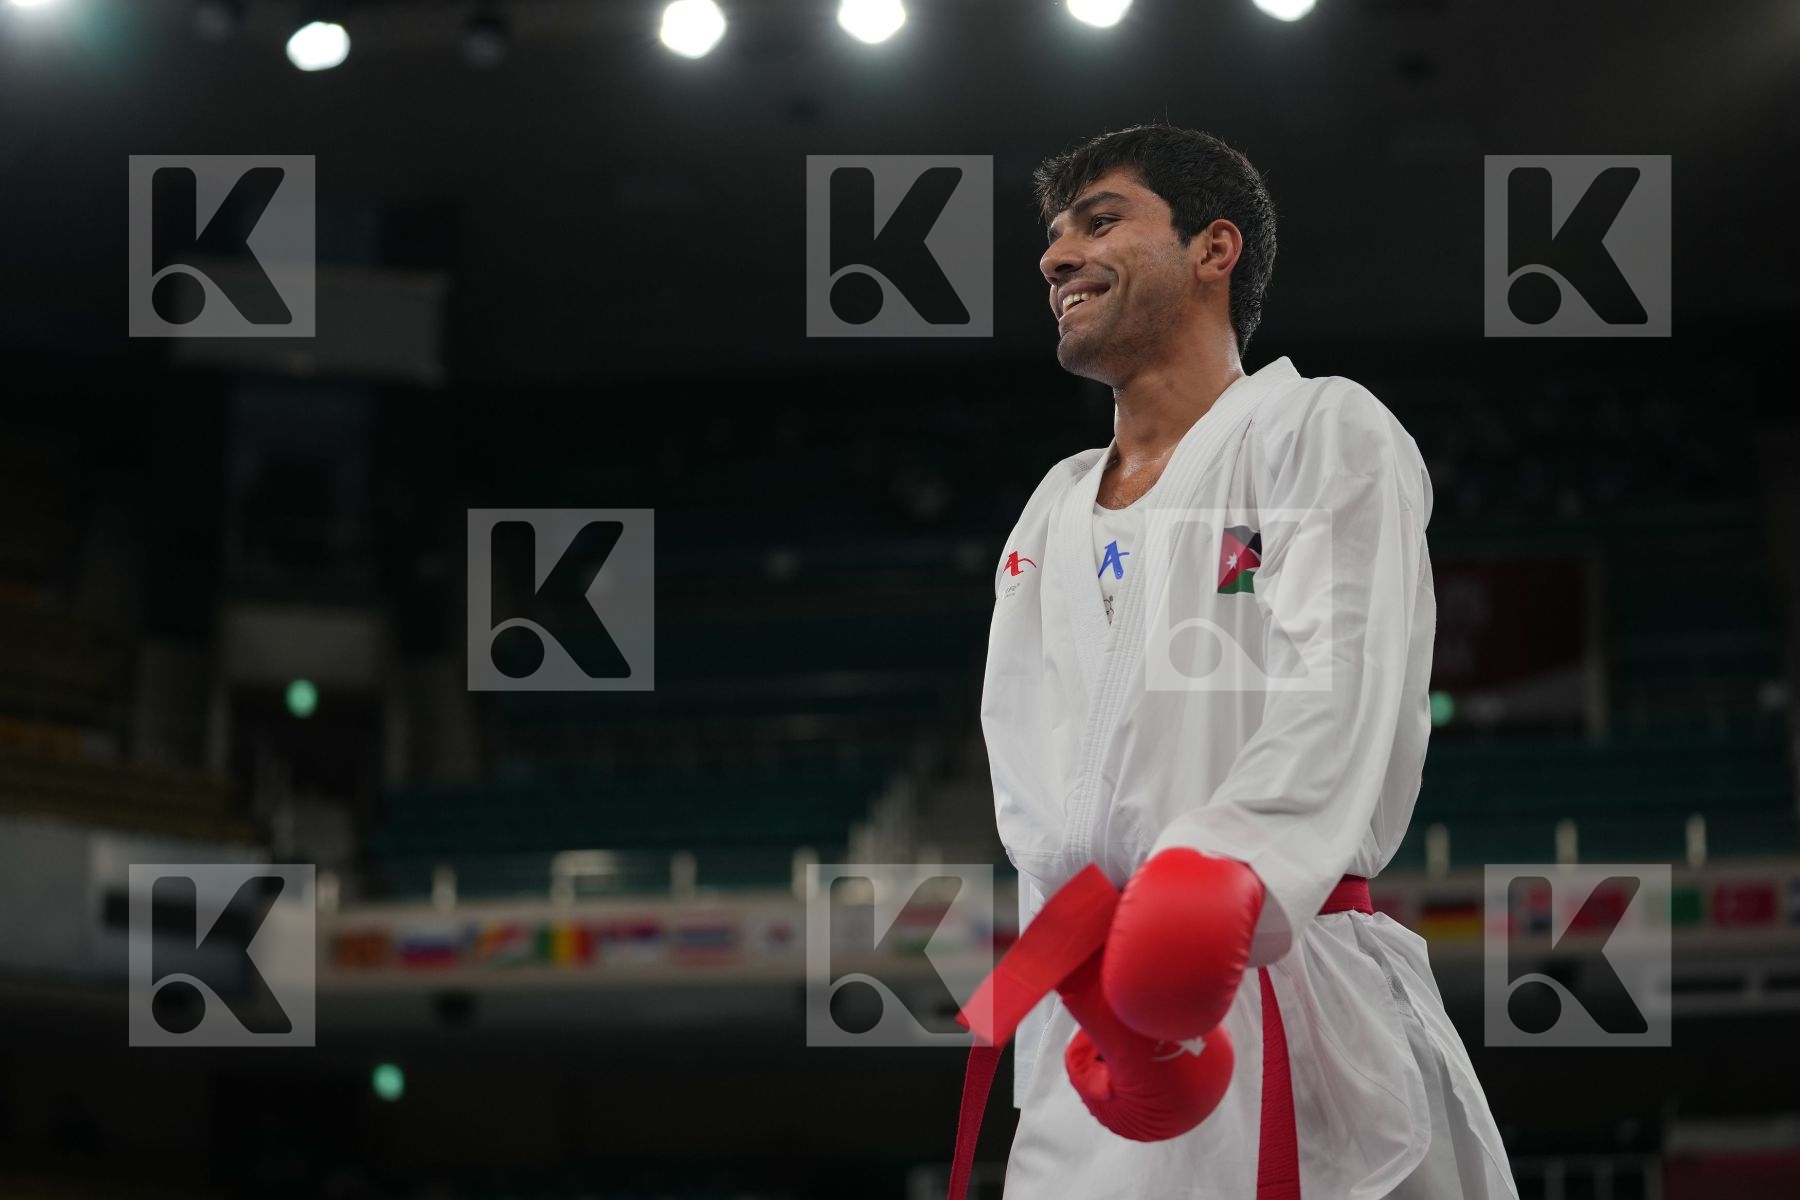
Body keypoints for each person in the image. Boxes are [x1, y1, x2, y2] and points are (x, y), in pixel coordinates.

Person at [958, 124, 1518, 1199]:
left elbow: (1342, 677)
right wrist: (1083, 971)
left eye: (1101, 219)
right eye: (1054, 234)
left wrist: (1226, 869)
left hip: (1285, 977)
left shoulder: (1317, 427)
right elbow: (1022, 752)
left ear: (1214, 250)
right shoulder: (1051, 506)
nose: (1055, 256)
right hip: (1107, 1029)